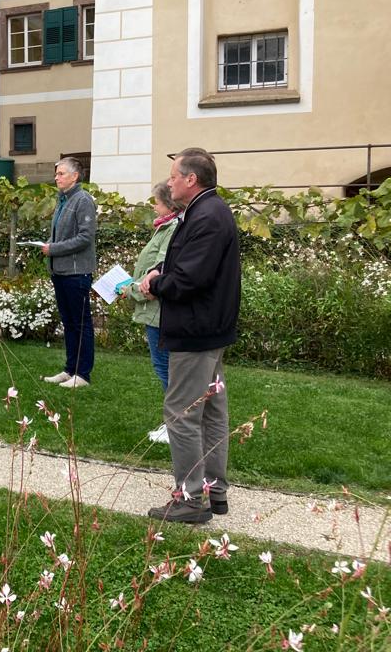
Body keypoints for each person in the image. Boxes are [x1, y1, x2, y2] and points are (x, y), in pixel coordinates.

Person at [139, 148, 241, 524]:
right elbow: (189, 261)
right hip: (209, 329)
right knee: (212, 412)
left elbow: (190, 278)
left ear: (191, 179)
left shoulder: (208, 215)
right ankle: (215, 492)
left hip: (195, 331)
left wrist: (158, 284)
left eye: (173, 176)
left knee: (180, 414)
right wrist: (161, 270)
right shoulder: (205, 212)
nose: (169, 182)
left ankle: (189, 499)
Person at [117, 182, 182, 443]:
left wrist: (131, 290)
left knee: (166, 368)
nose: (154, 205)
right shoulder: (164, 227)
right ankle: (175, 421)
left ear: (169, 202)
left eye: (157, 201)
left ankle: (175, 425)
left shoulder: (172, 229)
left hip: (159, 311)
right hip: (155, 309)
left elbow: (161, 271)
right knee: (166, 367)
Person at [41, 157, 97, 389]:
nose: (56, 177)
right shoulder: (63, 199)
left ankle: (83, 374)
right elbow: (63, 235)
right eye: (56, 173)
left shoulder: (82, 200)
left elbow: (85, 237)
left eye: (61, 173)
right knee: (69, 322)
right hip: (61, 271)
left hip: (77, 272)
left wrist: (53, 248)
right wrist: (48, 243)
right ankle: (69, 369)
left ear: (75, 176)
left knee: (81, 323)